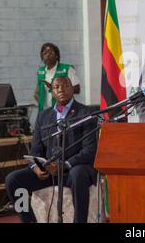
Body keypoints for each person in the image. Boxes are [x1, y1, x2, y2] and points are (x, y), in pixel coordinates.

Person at [6, 77, 99, 223]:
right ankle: (29, 220)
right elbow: (36, 150)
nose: (61, 89)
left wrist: (66, 165)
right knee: (13, 180)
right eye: (57, 87)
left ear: (72, 88)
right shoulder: (43, 116)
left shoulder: (85, 113)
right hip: (50, 171)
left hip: (74, 169)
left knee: (78, 174)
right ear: (52, 91)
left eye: (65, 86)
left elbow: (90, 150)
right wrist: (35, 166)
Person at [35, 43, 80, 112]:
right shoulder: (41, 71)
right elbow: (37, 92)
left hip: (63, 110)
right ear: (42, 56)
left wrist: (54, 88)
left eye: (51, 53)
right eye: (45, 53)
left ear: (56, 56)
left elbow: (77, 89)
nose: (48, 55)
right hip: (45, 112)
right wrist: (41, 103)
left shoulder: (67, 69)